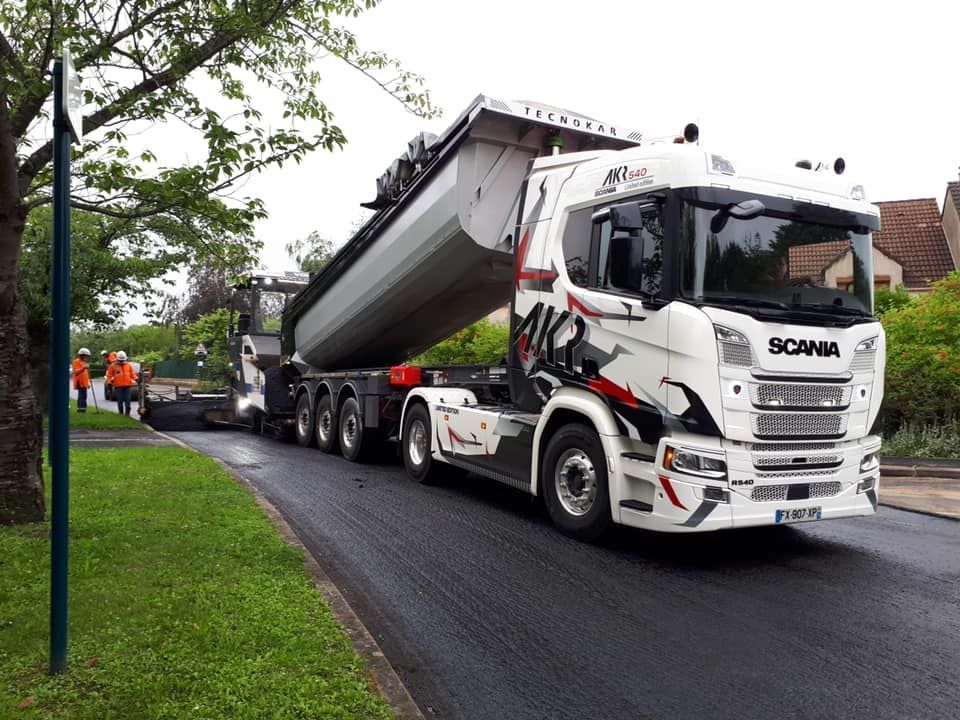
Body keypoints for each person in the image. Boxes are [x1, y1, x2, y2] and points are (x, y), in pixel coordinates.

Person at [111, 351, 138, 416]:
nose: (121, 362)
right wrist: (110, 382)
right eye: (120, 360)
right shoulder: (113, 366)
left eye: (122, 360)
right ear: (117, 359)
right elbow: (109, 375)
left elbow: (132, 375)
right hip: (118, 386)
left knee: (128, 400)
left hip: (127, 386)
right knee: (120, 401)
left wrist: (137, 379)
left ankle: (127, 414)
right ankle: (121, 413)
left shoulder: (129, 365)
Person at [72, 348, 91, 413]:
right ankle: (80, 409)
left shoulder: (84, 362)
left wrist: (88, 383)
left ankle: (84, 409)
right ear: (81, 355)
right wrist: (83, 368)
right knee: (81, 395)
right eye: (85, 356)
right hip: (79, 382)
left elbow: (86, 374)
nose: (86, 357)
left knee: (84, 395)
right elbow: (76, 372)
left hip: (84, 382)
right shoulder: (76, 361)